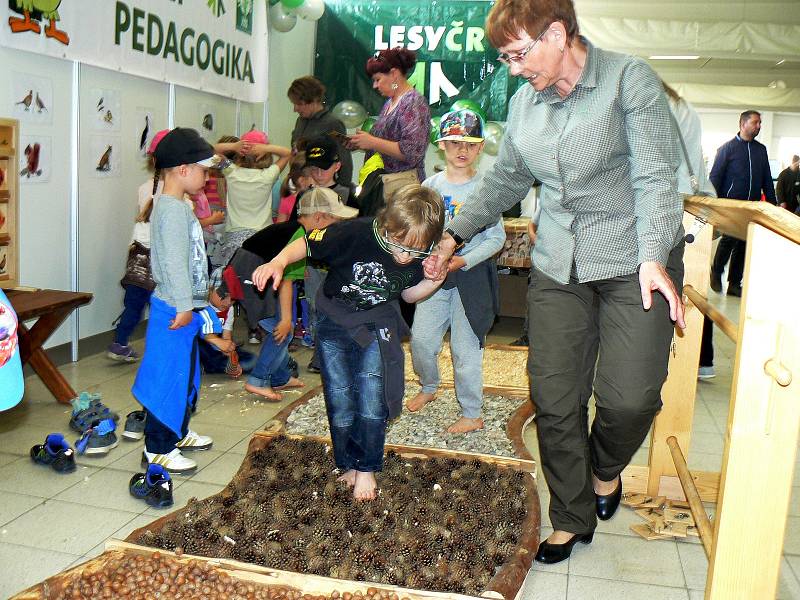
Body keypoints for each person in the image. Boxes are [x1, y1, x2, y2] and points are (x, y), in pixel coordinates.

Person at [427, 0, 686, 564]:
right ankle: (571, 516)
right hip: (560, 262)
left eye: (520, 54)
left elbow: (655, 174)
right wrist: (451, 235)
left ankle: (606, 471)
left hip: (635, 259)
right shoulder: (525, 105)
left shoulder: (627, 79)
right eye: (506, 58)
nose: (515, 68)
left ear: (558, 34)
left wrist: (652, 255)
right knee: (554, 395)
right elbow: (504, 181)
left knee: (630, 398)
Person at [251, 184, 446, 500]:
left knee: (371, 394)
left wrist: (433, 282)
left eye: (415, 251)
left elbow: (408, 294)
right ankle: (349, 463)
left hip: (376, 322)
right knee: (340, 395)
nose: (403, 256)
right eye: (398, 244)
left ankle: (367, 467)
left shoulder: (420, 256)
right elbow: (305, 245)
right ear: (386, 225)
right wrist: (277, 262)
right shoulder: (355, 233)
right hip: (333, 319)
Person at [407, 110, 506, 433]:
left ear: (480, 149)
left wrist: (463, 260)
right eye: (453, 143)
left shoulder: (487, 188)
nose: (461, 150)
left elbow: (496, 239)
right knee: (421, 340)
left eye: (469, 144)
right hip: (434, 279)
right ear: (442, 147)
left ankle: (472, 412)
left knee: (466, 349)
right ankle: (429, 386)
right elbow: (419, 231)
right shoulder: (430, 186)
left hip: (471, 279)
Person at [131, 127, 218, 474]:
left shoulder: (176, 206)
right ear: (184, 170)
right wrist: (184, 305)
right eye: (203, 169)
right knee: (167, 379)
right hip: (174, 309)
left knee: (185, 375)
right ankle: (158, 449)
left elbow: (191, 259)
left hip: (184, 307)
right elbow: (172, 264)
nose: (207, 176)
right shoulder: (170, 211)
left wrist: (197, 301)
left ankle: (177, 432)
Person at [239, 187, 358, 401]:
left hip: (256, 271)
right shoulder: (301, 236)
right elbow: (286, 281)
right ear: (319, 218)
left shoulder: (299, 230)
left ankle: (281, 376)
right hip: (253, 273)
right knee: (282, 329)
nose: (337, 226)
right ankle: (258, 379)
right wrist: (286, 319)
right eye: (335, 221)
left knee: (285, 326)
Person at [662, 82, 718, 380]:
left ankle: (671, 363)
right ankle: (701, 361)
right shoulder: (685, 110)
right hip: (692, 210)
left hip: (666, 210)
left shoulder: (650, 106)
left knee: (671, 289)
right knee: (692, 287)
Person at [107, 129, 170, 362]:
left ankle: (119, 342)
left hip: (137, 255)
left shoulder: (144, 188)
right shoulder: (177, 194)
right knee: (162, 307)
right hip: (160, 257)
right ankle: (159, 349)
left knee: (134, 304)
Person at [709, 110, 777, 297]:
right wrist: (714, 204)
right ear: (743, 124)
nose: (759, 126)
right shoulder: (727, 149)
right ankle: (716, 271)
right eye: (755, 122)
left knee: (743, 244)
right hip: (731, 205)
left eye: (760, 123)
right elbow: (715, 177)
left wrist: (773, 206)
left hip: (751, 206)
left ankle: (734, 284)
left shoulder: (760, 150)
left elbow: (766, 180)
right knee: (729, 239)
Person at [349, 48, 431, 185]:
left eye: (378, 79)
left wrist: (372, 142)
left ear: (394, 74)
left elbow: (412, 153)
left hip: (404, 188)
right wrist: (362, 142)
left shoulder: (413, 103)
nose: (375, 85)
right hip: (385, 183)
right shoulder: (390, 103)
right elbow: (386, 144)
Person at [288, 75, 353, 186]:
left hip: (322, 188)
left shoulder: (332, 124)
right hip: (300, 185)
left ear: (314, 101)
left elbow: (344, 161)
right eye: (294, 104)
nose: (295, 109)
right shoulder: (300, 121)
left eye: (299, 104)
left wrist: (341, 193)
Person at [197, 286, 257, 377]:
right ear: (210, 289)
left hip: (216, 347)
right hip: (199, 345)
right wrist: (218, 343)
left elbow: (226, 338)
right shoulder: (199, 306)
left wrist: (231, 355)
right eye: (224, 296)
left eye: (233, 299)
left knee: (253, 360)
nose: (228, 302)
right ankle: (206, 365)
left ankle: (217, 366)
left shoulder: (229, 309)